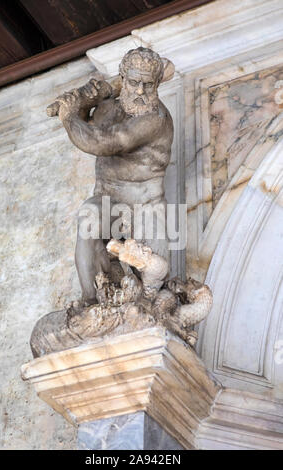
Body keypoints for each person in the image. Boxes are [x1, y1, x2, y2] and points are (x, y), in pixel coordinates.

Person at [56, 47, 174, 305]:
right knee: (88, 215)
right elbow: (88, 120)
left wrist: (68, 117)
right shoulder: (107, 108)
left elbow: (107, 142)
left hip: (147, 206)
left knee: (152, 290)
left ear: (157, 84)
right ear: (122, 78)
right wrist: (86, 98)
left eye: (148, 84)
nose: (141, 91)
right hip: (109, 199)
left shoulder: (155, 118)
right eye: (133, 82)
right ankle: (90, 302)